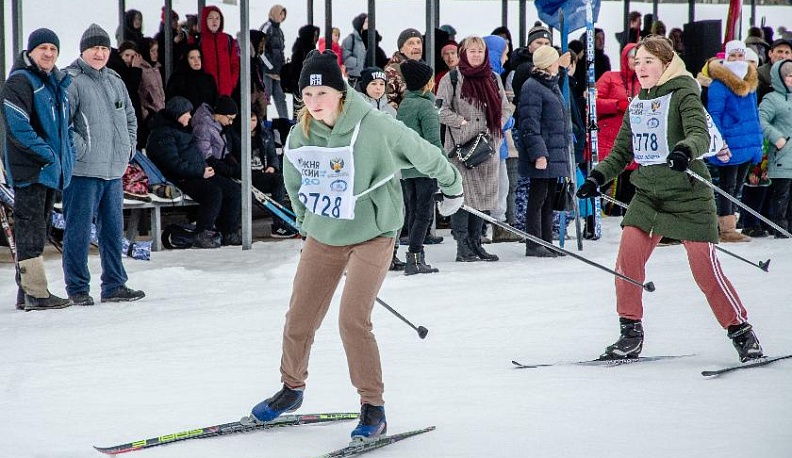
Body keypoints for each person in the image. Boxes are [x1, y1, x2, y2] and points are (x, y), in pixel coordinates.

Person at [241, 50, 463, 440]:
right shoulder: (300, 133)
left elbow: (425, 154)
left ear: (340, 91)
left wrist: (453, 188)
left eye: (322, 93)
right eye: (307, 97)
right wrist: (306, 221)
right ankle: (291, 389)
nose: (314, 103)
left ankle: (372, 405)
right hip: (325, 233)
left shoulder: (376, 125)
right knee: (299, 317)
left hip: (373, 233)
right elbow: (295, 181)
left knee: (352, 321)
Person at [575, 35, 764, 364]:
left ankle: (742, 333)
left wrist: (684, 150)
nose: (641, 67)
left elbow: (700, 133)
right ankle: (630, 333)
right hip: (648, 194)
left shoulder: (683, 92)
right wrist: (597, 178)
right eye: (637, 61)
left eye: (649, 60)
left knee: (705, 271)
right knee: (627, 263)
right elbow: (622, 151)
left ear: (666, 63)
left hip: (688, 194)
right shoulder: (637, 102)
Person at [63, 24, 145, 305]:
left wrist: (129, 147)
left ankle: (114, 284)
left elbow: (131, 118)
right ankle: (77, 288)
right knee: (79, 230)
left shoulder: (115, 80)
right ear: (83, 50)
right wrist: (81, 150)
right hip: (84, 171)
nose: (99, 53)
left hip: (113, 170)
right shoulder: (70, 80)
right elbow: (63, 126)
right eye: (94, 48)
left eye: (104, 48)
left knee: (112, 230)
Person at [1, 29, 74, 311]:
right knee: (30, 230)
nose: (48, 53)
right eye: (43, 48)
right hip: (30, 169)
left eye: (53, 49)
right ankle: (35, 292)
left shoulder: (55, 84)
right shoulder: (20, 81)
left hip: (49, 170)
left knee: (39, 229)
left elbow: (66, 127)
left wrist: (65, 156)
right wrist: (49, 154)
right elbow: (18, 128)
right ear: (30, 52)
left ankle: (28, 292)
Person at [437, 36, 512, 262]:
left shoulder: (494, 77)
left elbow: (506, 107)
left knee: (484, 196)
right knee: (464, 197)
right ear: (464, 53)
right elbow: (439, 110)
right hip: (462, 149)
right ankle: (463, 245)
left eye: (480, 51)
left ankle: (477, 242)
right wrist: (460, 122)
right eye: (472, 51)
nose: (477, 55)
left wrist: (499, 121)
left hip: (488, 147)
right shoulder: (451, 79)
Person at [146, 96, 232, 249]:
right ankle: (203, 234)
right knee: (213, 193)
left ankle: (228, 232)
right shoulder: (162, 134)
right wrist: (200, 171)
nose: (190, 116)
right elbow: (173, 164)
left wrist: (203, 168)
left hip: (196, 173)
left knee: (232, 189)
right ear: (178, 114)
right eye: (187, 113)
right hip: (181, 178)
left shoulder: (181, 130)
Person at [706, 40, 764, 243]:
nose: (737, 60)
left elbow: (754, 115)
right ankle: (725, 228)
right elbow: (714, 115)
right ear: (726, 58)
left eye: (741, 56)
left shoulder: (751, 84)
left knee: (737, 186)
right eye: (733, 56)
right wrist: (720, 142)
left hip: (747, 142)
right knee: (727, 186)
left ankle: (730, 224)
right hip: (730, 143)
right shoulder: (718, 86)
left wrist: (758, 142)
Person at [518, 46, 571, 257]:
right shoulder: (532, 87)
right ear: (549, 63)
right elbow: (530, 123)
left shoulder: (551, 84)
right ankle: (533, 242)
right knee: (537, 197)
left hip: (554, 150)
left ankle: (547, 240)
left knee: (549, 198)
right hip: (543, 152)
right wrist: (538, 153)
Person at [397, 59, 442, 275]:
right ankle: (415, 257)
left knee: (413, 212)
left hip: (407, 168)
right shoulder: (426, 106)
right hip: (425, 168)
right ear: (426, 83)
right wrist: (442, 170)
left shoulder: (405, 104)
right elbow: (434, 141)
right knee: (424, 215)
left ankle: (414, 256)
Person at [228, 107, 298, 238]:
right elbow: (229, 157)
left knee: (279, 180)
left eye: (253, 120)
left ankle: (279, 224)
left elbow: (272, 155)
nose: (251, 123)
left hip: (261, 174)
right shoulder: (233, 134)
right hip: (242, 176)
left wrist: (272, 166)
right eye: (247, 120)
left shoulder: (265, 135)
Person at [191, 96, 243, 245]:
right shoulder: (203, 126)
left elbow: (222, 149)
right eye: (229, 118)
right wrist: (228, 170)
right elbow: (205, 155)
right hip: (206, 168)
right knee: (232, 191)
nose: (230, 122)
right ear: (220, 113)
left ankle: (229, 229)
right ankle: (228, 231)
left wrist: (233, 165)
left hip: (216, 166)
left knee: (234, 189)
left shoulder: (218, 125)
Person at [596, 43, 641, 216]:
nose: (636, 62)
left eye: (640, 59)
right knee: (607, 178)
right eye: (632, 58)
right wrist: (617, 105)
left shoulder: (645, 81)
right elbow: (594, 102)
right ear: (624, 58)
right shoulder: (609, 77)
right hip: (610, 137)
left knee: (630, 185)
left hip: (634, 138)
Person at [759, 59, 792, 237]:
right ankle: (780, 228)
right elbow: (761, 120)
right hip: (782, 155)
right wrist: (777, 138)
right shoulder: (771, 98)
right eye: (788, 76)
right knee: (781, 195)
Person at [199, 5, 240, 98]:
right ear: (205, 20)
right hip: (205, 93)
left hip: (226, 92)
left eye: (217, 18)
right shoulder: (199, 40)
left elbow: (235, 64)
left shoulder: (228, 39)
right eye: (211, 18)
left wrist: (231, 83)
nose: (214, 21)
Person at [165, 45, 219, 112]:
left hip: (206, 119)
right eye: (192, 58)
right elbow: (172, 102)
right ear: (186, 60)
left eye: (199, 57)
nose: (196, 60)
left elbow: (215, 102)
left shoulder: (208, 79)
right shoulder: (177, 79)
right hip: (186, 120)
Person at [260, 4, 289, 120]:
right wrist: (269, 66)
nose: (281, 17)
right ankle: (261, 122)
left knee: (280, 97)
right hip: (267, 71)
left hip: (278, 72)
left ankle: (285, 120)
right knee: (265, 98)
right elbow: (260, 49)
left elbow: (280, 50)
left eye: (283, 15)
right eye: (280, 14)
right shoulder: (267, 27)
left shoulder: (280, 31)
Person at [385, 28, 424, 110]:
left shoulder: (425, 68)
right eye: (411, 43)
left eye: (418, 42)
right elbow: (388, 103)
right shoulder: (393, 70)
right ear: (401, 49)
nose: (416, 46)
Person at [342, 13, 368, 87]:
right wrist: (358, 63)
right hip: (355, 78)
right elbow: (345, 57)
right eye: (366, 22)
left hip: (367, 77)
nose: (369, 24)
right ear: (361, 23)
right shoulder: (350, 39)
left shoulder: (370, 39)